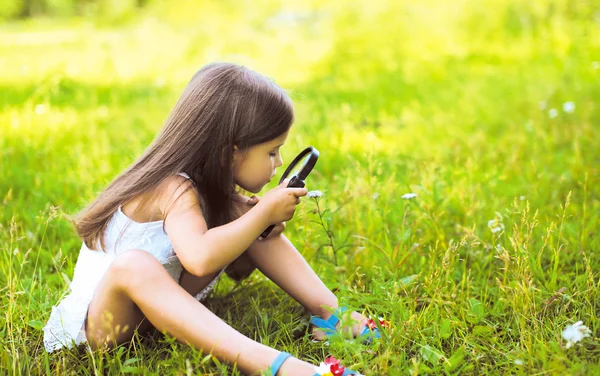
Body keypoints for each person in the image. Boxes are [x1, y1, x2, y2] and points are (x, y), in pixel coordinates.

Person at [42, 62, 375, 375]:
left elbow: (236, 267)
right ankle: (283, 367)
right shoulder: (171, 188)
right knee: (135, 264)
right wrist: (260, 216)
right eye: (271, 151)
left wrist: (256, 223)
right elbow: (200, 260)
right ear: (230, 152)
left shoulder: (213, 190)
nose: (279, 162)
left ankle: (334, 315)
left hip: (159, 308)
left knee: (241, 217)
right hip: (104, 326)